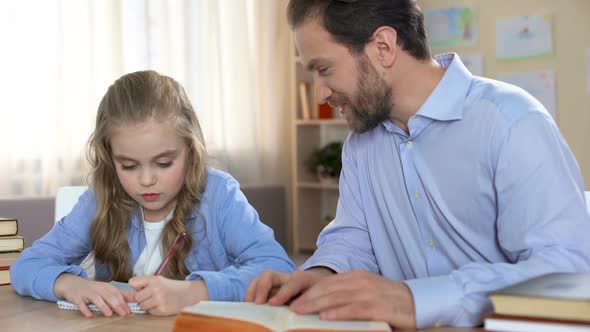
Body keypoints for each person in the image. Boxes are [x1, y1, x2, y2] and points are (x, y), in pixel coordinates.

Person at [246, 0, 590, 329]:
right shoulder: (360, 146)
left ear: (383, 47)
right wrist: (319, 278)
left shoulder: (512, 122)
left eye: (324, 69)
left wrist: (414, 300)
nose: (320, 93)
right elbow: (353, 241)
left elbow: (566, 270)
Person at [11, 70, 295, 318]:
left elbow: (277, 269)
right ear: (110, 159)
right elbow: (26, 265)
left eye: (163, 163)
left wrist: (196, 291)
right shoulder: (101, 197)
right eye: (129, 165)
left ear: (190, 150)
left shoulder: (219, 195)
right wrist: (69, 284)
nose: (147, 180)